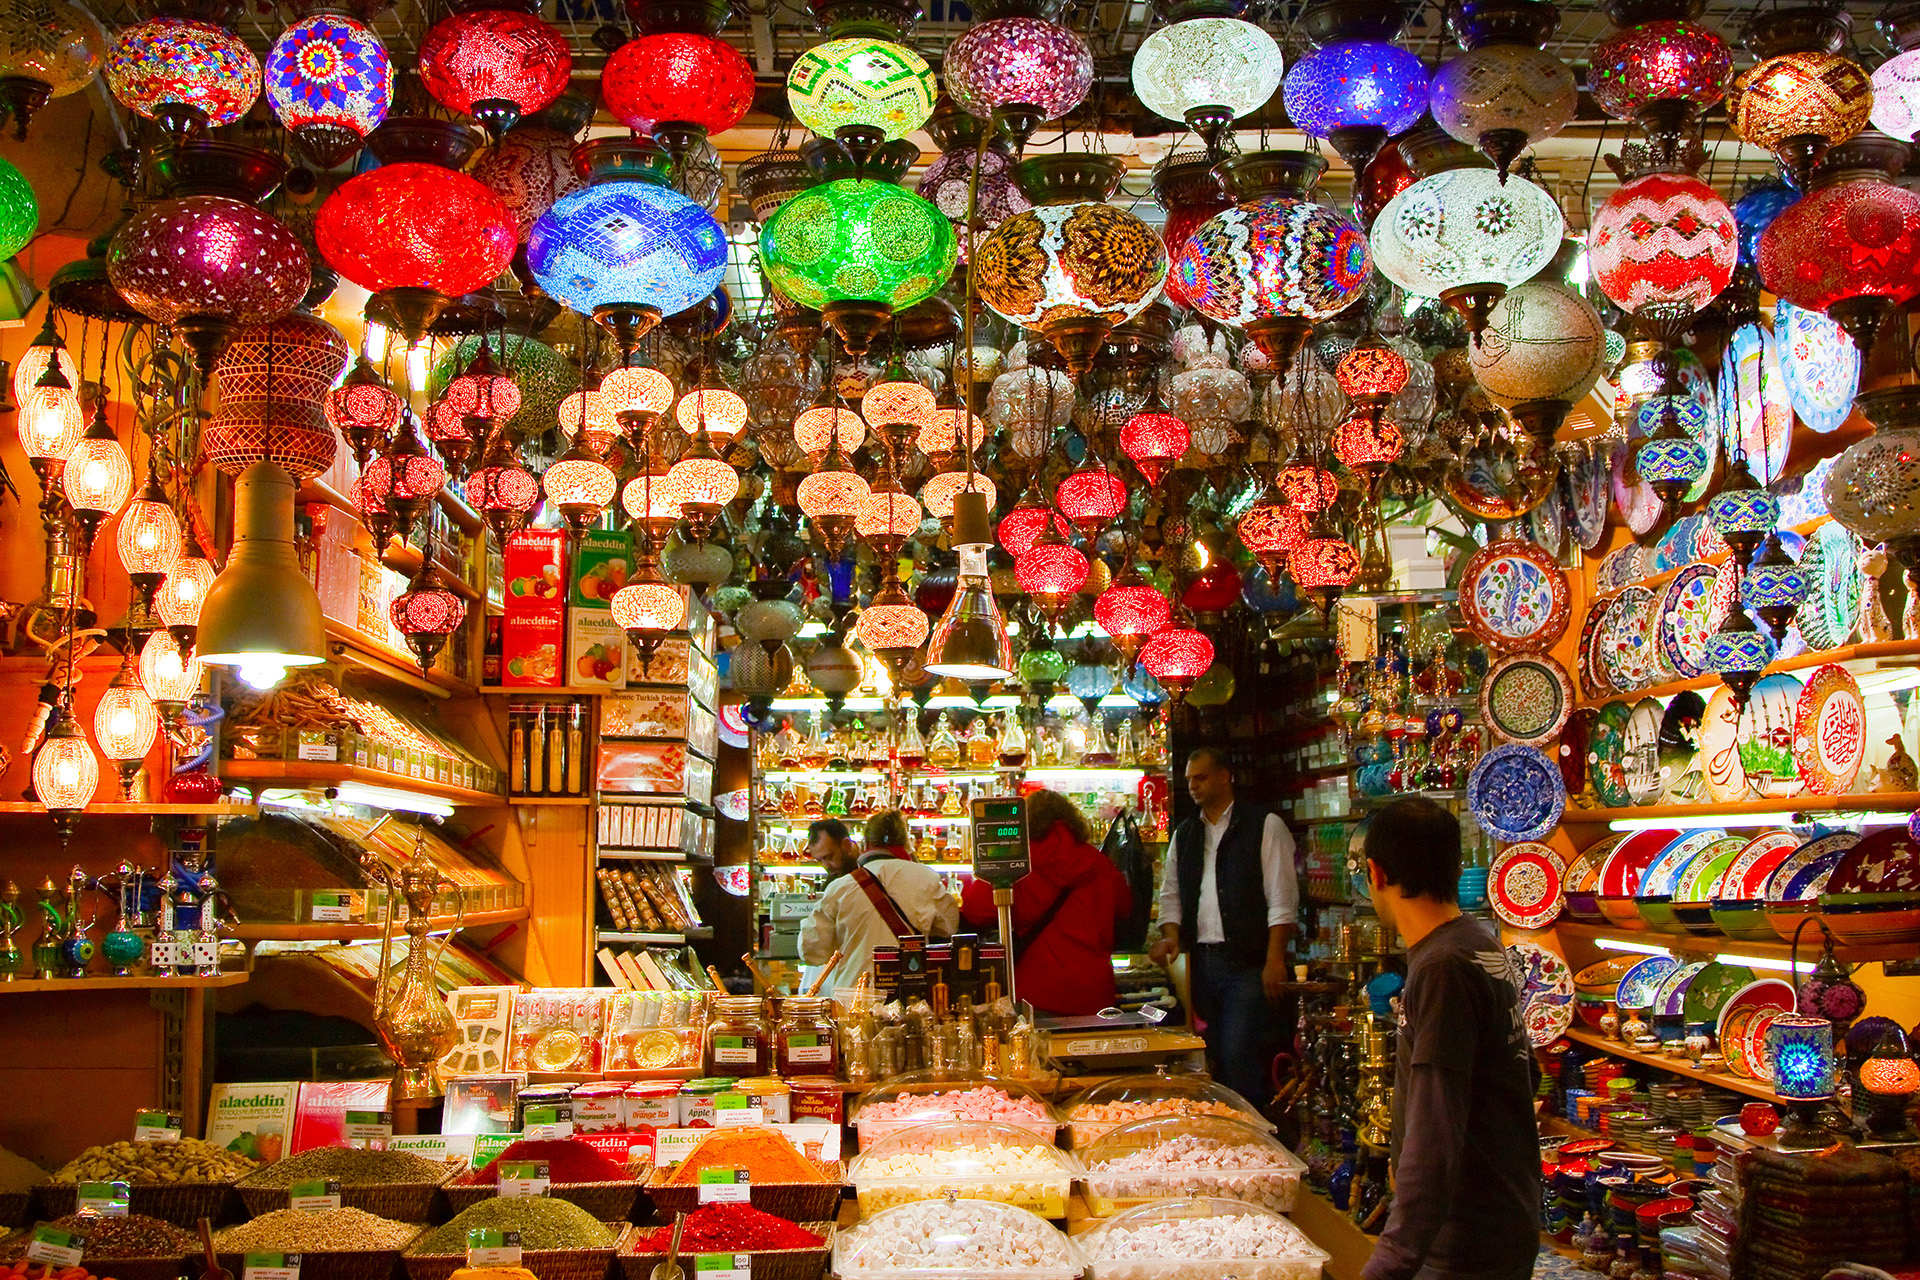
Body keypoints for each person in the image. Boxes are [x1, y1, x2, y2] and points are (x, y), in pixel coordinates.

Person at [1359, 797, 1540, 1280]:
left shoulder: (1441, 968)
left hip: (1465, 1245)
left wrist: (1389, 1263)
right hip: (1499, 1222)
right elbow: (1527, 1069)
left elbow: (1433, 1139)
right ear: (1456, 867)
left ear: (1376, 874)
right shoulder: (1476, 939)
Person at [1147, 745, 1298, 1106]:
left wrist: (1274, 959)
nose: (1194, 786)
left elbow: (1282, 898)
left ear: (1225, 775)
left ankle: (1255, 1134)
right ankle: (1231, 1134)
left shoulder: (1264, 825)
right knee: (1213, 1054)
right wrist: (1170, 937)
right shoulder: (1185, 835)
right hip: (1203, 962)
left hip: (1247, 962)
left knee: (1239, 1055)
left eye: (1201, 777)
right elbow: (1171, 896)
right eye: (1189, 780)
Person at [959, 789, 1132, 1016]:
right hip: (1095, 995)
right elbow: (1125, 908)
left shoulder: (1015, 861)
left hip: (1037, 994)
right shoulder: (1099, 864)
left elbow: (976, 911)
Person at [799, 809, 958, 995]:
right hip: (909, 994)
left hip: (855, 996)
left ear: (865, 843)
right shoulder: (926, 877)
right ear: (906, 842)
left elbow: (811, 950)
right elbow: (949, 926)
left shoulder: (840, 887)